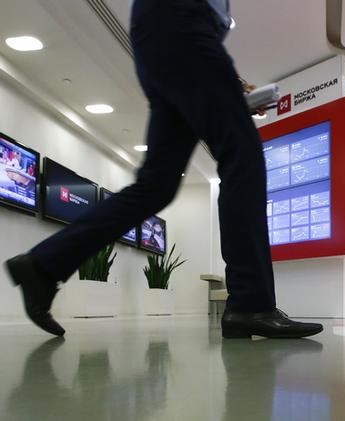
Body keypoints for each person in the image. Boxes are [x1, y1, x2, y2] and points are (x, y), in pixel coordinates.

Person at [4, 0, 323, 339]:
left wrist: (223, 81)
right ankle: (251, 303)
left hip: (163, 33)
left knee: (157, 184)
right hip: (181, 19)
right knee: (242, 153)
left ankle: (43, 265)